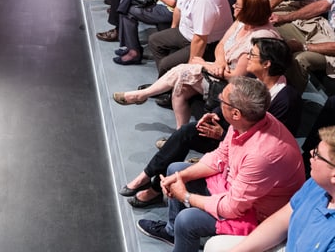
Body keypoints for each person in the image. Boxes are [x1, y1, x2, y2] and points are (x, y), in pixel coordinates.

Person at [122, 38, 302, 209]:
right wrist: (213, 115)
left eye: (252, 54)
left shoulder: (286, 100)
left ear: (266, 63)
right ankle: (147, 176)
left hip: (247, 152)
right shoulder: (255, 80)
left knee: (186, 141)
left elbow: (269, 141)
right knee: (187, 131)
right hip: (231, 131)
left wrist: (222, 135)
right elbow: (229, 102)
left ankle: (154, 189)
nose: (246, 56)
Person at [137, 77, 305, 252]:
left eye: (222, 99)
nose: (218, 98)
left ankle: (182, 237)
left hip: (257, 214)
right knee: (176, 170)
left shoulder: (262, 155)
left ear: (236, 114)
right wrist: (180, 178)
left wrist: (185, 196)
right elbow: (220, 157)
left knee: (187, 220)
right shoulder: (248, 121)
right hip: (236, 187)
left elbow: (232, 208)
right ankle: (172, 233)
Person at [114, 0, 279, 129]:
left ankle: (142, 95)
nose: (233, 7)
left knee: (182, 70)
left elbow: (238, 78)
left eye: (237, 6)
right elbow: (221, 45)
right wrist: (219, 62)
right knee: (181, 88)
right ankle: (179, 132)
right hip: (219, 69)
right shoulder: (242, 22)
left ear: (249, 11)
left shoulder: (259, 39)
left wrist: (206, 66)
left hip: (236, 86)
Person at [204, 125, 335, 252]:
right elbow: (280, 222)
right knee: (215, 246)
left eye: (318, 154)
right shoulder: (315, 185)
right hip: (290, 246)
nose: (311, 152)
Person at [144, 0, 234, 77]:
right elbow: (178, 8)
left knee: (166, 64)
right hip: (186, 32)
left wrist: (189, 67)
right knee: (155, 40)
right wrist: (172, 30)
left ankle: (168, 89)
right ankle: (167, 81)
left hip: (207, 44)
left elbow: (200, 38)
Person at [270, 0, 335, 92]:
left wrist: (304, 47)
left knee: (300, 59)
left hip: (331, 50)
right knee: (271, 25)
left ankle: (283, 99)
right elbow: (322, 5)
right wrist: (284, 18)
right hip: (321, 31)